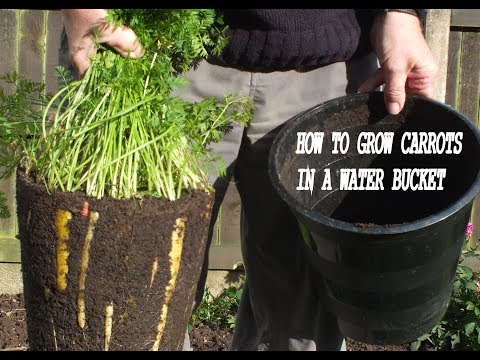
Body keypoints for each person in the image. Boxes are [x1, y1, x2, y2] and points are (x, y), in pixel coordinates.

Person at [60, 9, 439, 351]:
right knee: (134, 295)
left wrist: (402, 13)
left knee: (304, 314)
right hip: (151, 50)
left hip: (324, 59)